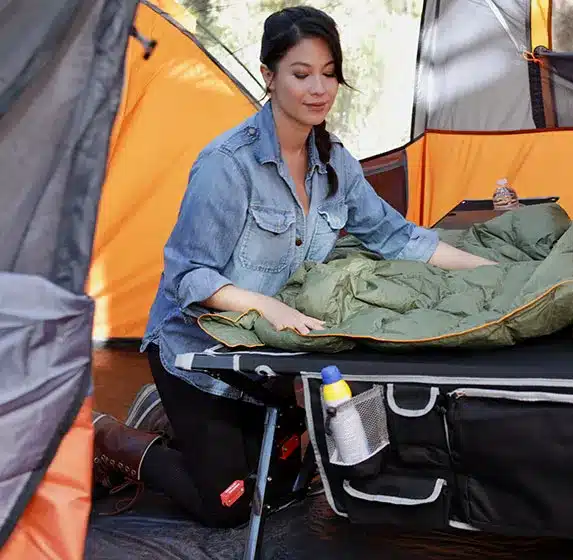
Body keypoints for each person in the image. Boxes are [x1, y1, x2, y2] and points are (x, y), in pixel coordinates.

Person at [90, 6, 495, 527]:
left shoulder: (336, 164)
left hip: (273, 351)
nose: (318, 88)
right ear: (269, 76)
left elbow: (399, 238)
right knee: (228, 504)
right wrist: (265, 303)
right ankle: (114, 437)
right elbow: (187, 277)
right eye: (301, 74)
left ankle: (180, 426)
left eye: (329, 74)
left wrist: (488, 270)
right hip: (197, 354)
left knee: (289, 485)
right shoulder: (226, 167)